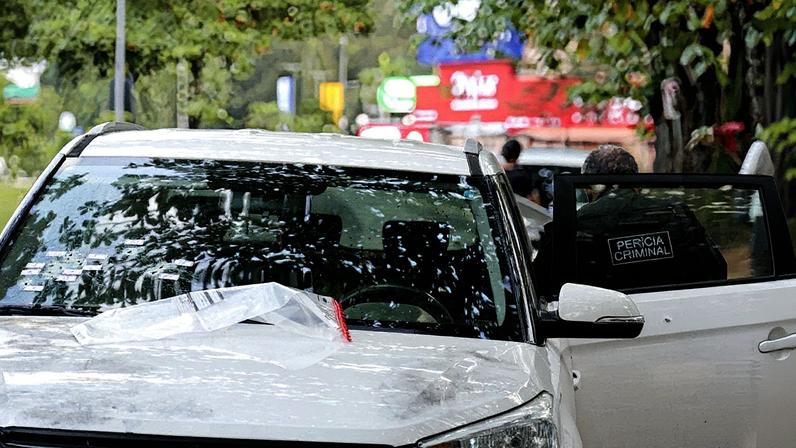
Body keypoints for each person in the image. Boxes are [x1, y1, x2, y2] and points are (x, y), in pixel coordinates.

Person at [532, 144, 726, 298]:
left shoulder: (569, 229)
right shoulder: (676, 215)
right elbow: (717, 270)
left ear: (589, 187)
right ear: (637, 185)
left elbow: (541, 290)